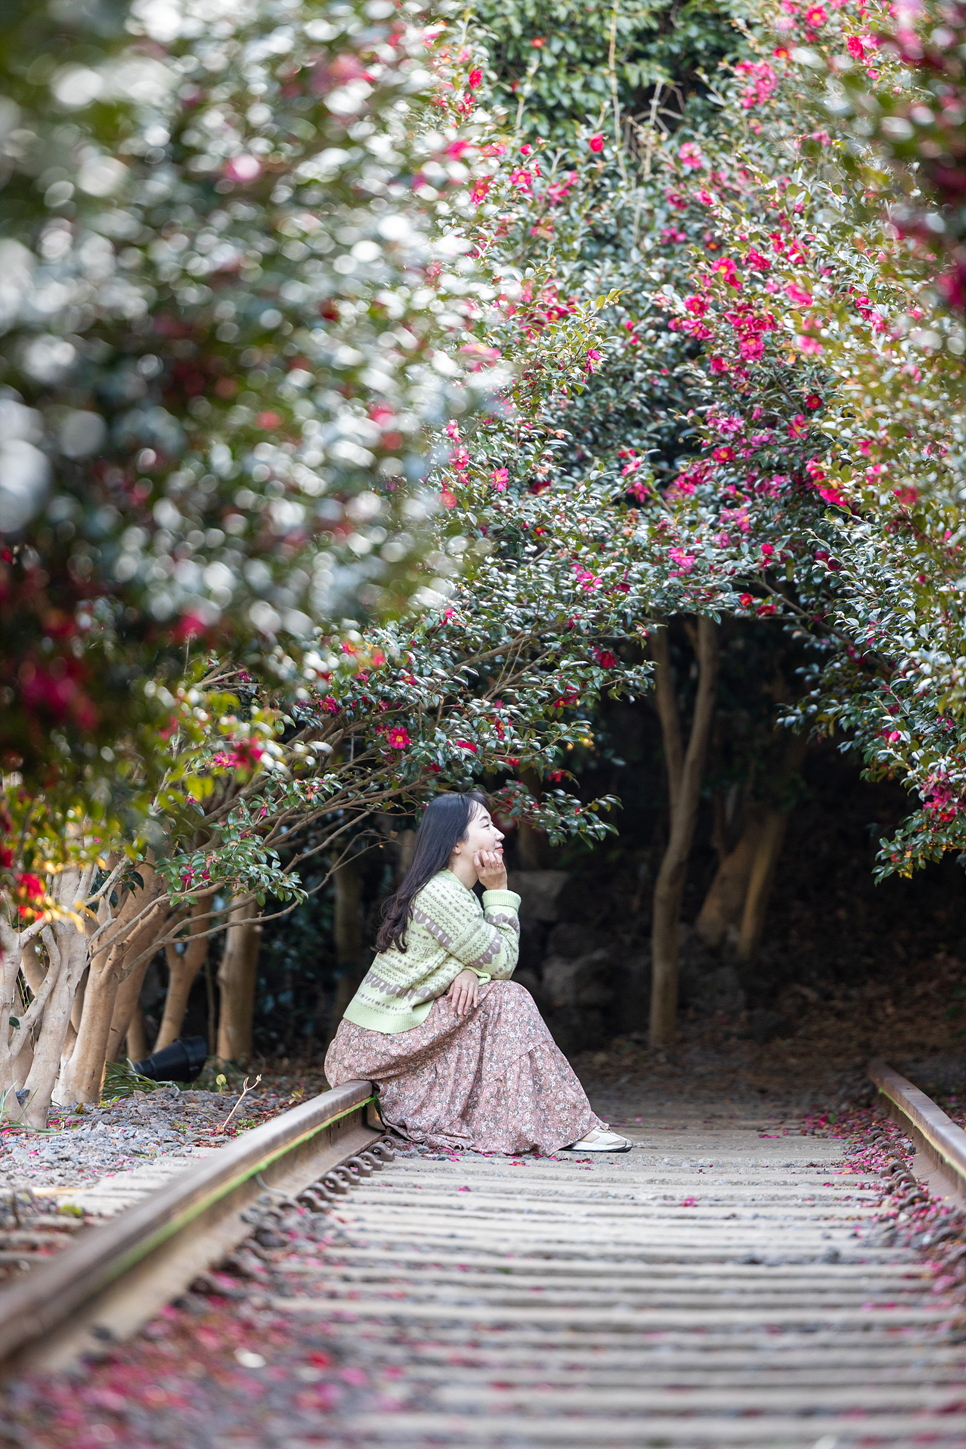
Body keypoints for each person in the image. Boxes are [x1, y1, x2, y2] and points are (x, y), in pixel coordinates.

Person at [324, 790, 631, 1154]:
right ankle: (570, 1125)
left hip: (391, 1036)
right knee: (508, 997)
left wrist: (471, 972)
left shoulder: (457, 891)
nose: (500, 834)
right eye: (486, 824)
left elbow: (475, 959)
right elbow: (501, 962)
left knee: (497, 998)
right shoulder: (442, 893)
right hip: (376, 1043)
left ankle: (564, 1123)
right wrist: (499, 891)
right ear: (456, 842)